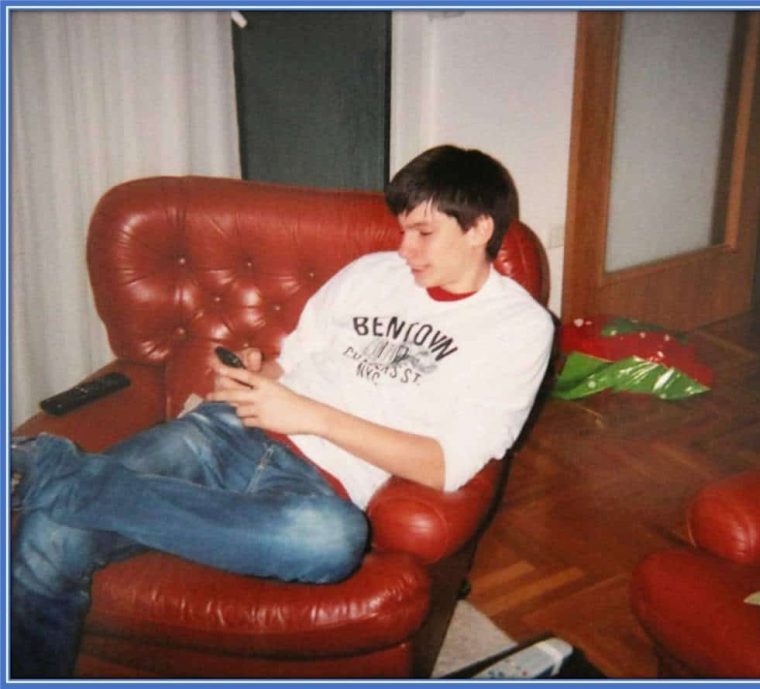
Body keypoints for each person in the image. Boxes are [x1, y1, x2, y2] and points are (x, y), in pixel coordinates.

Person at [9, 145, 555, 677]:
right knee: (49, 539)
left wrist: (309, 417)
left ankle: (55, 467)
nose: (404, 248)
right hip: (228, 434)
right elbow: (287, 366)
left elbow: (448, 466)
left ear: (480, 228)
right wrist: (254, 375)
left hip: (321, 487)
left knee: (331, 541)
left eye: (424, 233)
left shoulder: (517, 328)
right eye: (403, 229)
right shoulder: (371, 273)